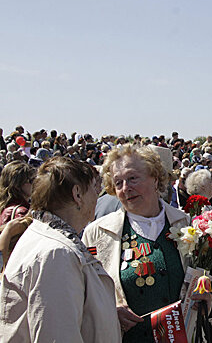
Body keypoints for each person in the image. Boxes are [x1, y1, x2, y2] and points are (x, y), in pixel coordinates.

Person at [81, 144, 199, 342]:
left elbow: (197, 281)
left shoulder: (186, 223)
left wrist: (203, 294)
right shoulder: (97, 233)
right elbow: (85, 295)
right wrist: (111, 310)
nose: (126, 188)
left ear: (155, 178)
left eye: (133, 178)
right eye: (118, 182)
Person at [0, 157, 121, 342]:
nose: (98, 196)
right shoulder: (56, 254)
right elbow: (56, 335)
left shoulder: (46, 239)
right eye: (94, 188)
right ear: (77, 194)